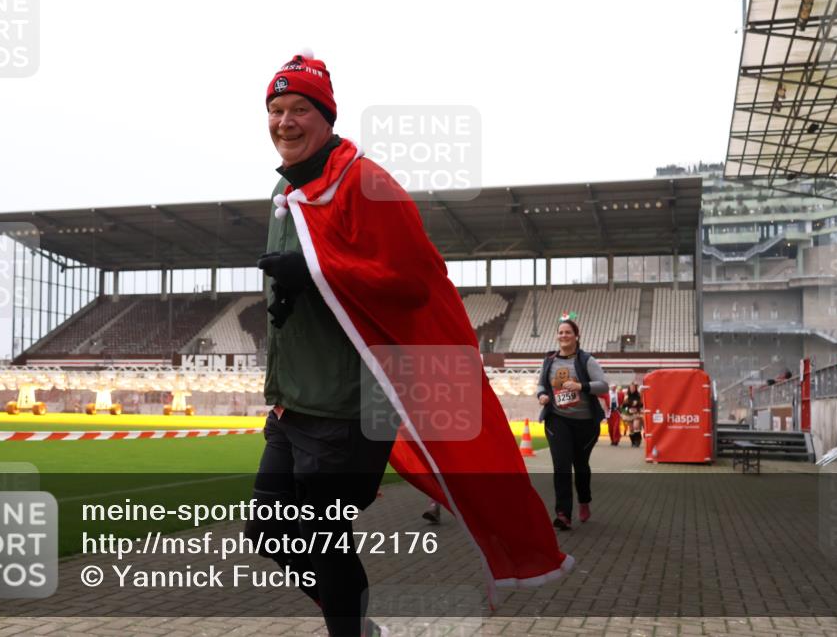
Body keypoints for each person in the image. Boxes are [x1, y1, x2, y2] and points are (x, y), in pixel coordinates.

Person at [248, 51, 570, 637]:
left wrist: (315, 274)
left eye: (300, 109)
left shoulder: (365, 181)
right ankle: (358, 624)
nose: (285, 122)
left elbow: (414, 281)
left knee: (322, 539)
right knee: (269, 531)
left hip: (349, 409)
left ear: (326, 115)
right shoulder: (285, 189)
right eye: (275, 109)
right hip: (293, 405)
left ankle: (351, 630)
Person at [537, 318, 609, 530]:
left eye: (568, 332)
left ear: (576, 336)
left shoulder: (586, 360)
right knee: (561, 466)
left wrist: (580, 385)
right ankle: (563, 514)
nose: (563, 336)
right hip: (557, 419)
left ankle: (584, 500)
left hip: (585, 424)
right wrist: (542, 395)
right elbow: (541, 383)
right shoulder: (549, 359)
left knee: (580, 466)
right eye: (560, 332)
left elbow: (602, 385)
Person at [621, 382, 643, 447]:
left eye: (633, 388)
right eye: (631, 388)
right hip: (628, 414)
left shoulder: (639, 396)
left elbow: (641, 405)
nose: (632, 389)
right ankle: (633, 442)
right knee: (631, 429)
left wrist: (638, 409)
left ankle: (638, 441)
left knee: (636, 426)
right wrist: (627, 410)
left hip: (636, 414)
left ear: (635, 388)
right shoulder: (626, 396)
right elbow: (623, 407)